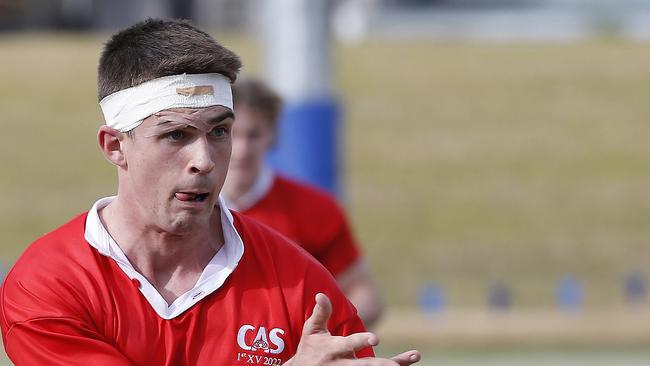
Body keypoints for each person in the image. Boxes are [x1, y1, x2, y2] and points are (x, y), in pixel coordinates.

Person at [0, 19, 420, 366]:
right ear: (115, 146)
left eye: (219, 131)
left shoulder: (300, 284)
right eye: (176, 135)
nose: (205, 158)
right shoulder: (48, 284)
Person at [223, 78, 383, 328]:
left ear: (273, 135)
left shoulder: (316, 209)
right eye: (231, 133)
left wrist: (318, 334)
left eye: (254, 134)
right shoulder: (188, 206)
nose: (242, 149)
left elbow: (365, 295)